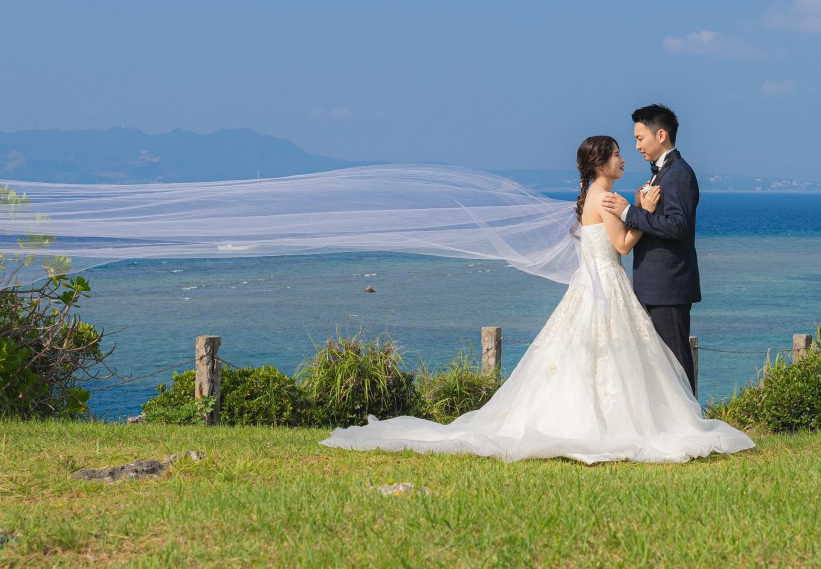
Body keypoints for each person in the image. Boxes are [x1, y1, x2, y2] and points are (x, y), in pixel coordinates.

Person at [320, 135, 754, 464]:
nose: (624, 158)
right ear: (602, 163)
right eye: (618, 154)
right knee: (613, 354)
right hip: (606, 282)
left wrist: (633, 207)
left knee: (587, 355)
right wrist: (641, 208)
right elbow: (622, 246)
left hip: (593, 284)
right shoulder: (606, 199)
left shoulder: (591, 197)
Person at [599, 104, 699, 394]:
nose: (637, 146)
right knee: (660, 364)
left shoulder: (679, 173)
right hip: (655, 285)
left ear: (661, 135)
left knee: (676, 361)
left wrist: (631, 212)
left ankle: (691, 425)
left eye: (640, 138)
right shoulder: (661, 174)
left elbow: (678, 226)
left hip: (669, 285)